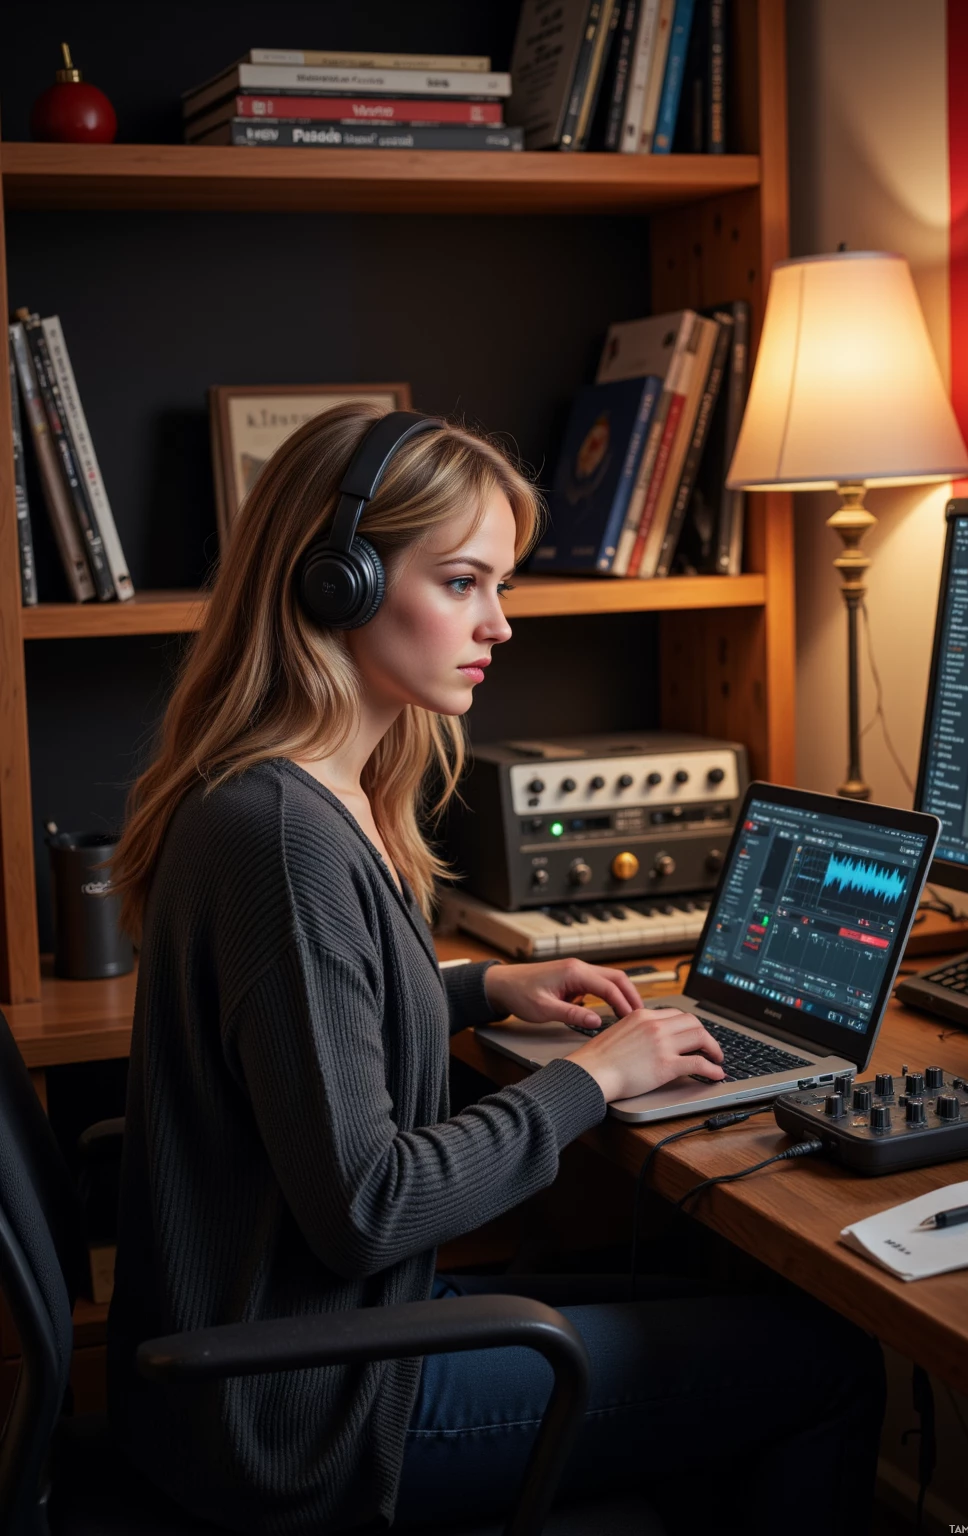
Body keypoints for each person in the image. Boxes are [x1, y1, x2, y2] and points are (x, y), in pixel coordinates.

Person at [108, 404, 885, 1536]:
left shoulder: (303, 799)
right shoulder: (282, 838)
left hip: (314, 1344)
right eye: (464, 582)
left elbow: (309, 1036)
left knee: (746, 1309)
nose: (500, 626)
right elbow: (372, 1206)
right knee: (825, 1359)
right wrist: (597, 1079)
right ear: (339, 582)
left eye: (501, 586)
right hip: (307, 1413)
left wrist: (480, 989)